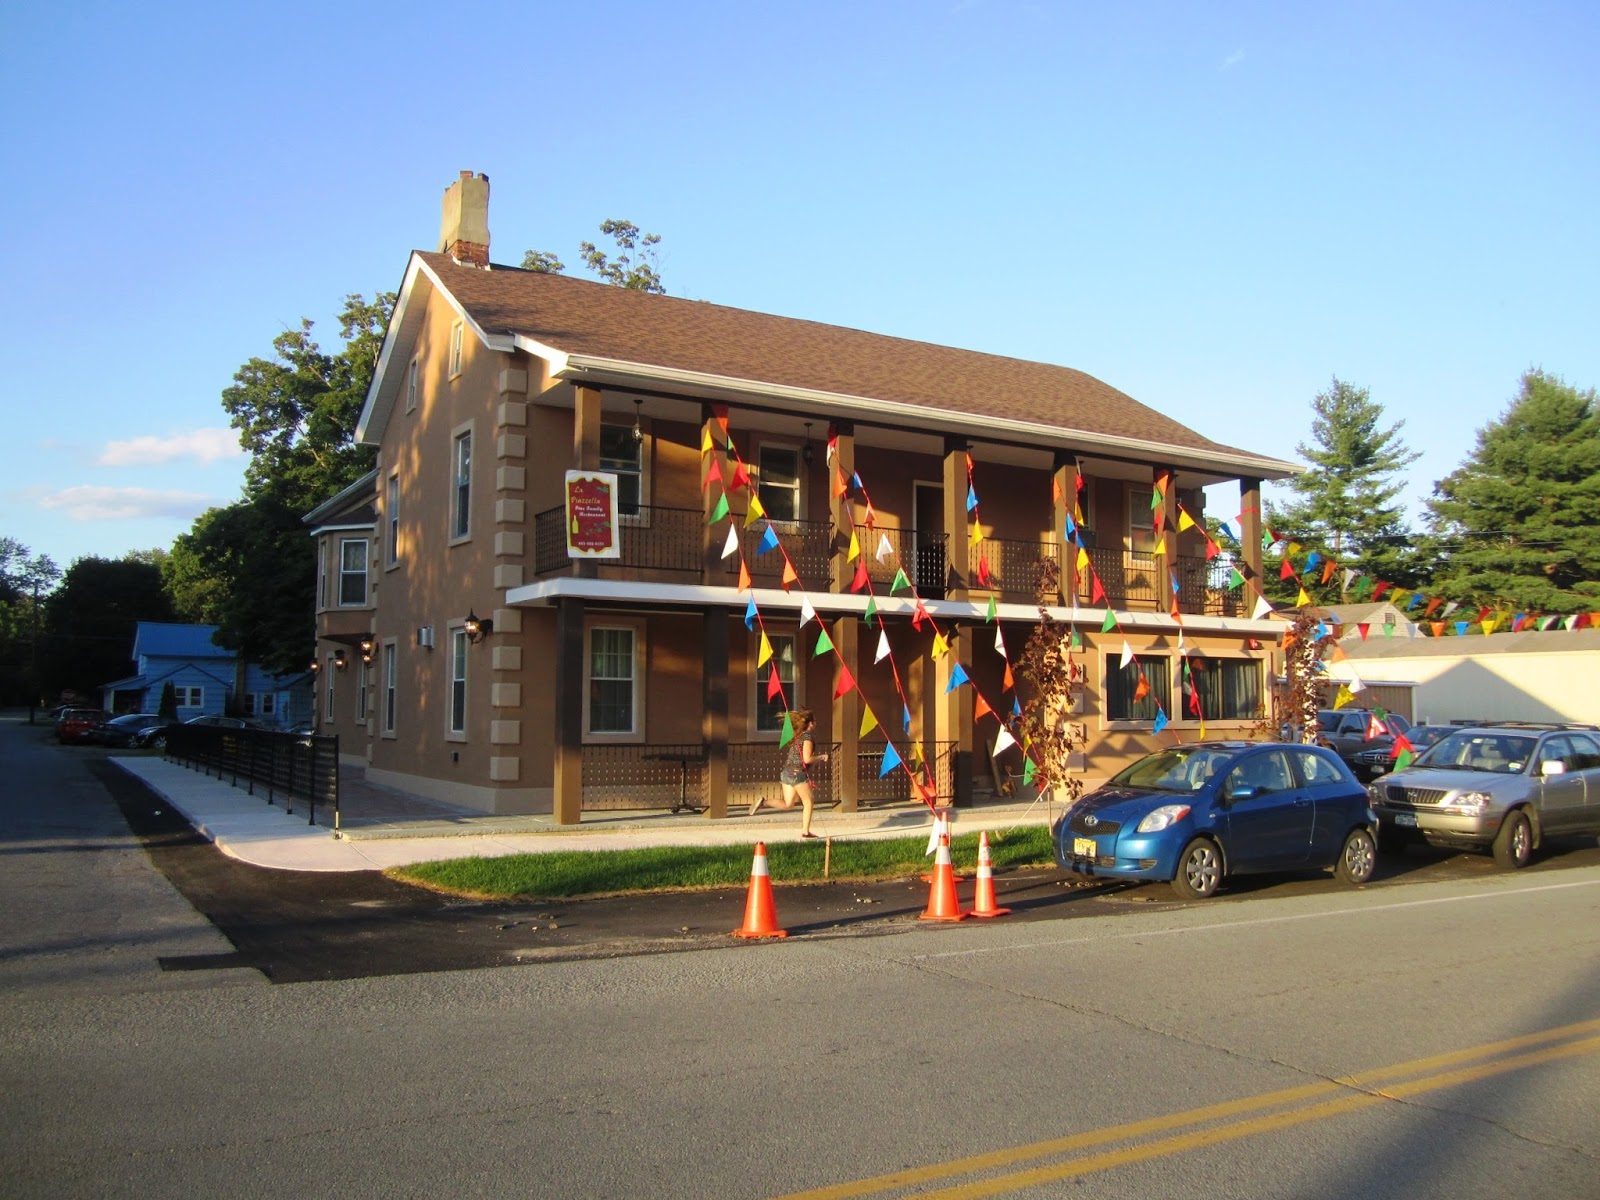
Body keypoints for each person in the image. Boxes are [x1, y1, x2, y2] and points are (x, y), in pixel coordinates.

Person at [750, 707, 829, 837]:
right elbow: (807, 759)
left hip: (787, 772)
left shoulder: (797, 736)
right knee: (808, 802)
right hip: (797, 774)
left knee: (788, 804)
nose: (816, 723)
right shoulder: (808, 737)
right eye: (815, 721)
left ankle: (764, 802)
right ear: (811, 723)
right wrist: (822, 757)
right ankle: (805, 832)